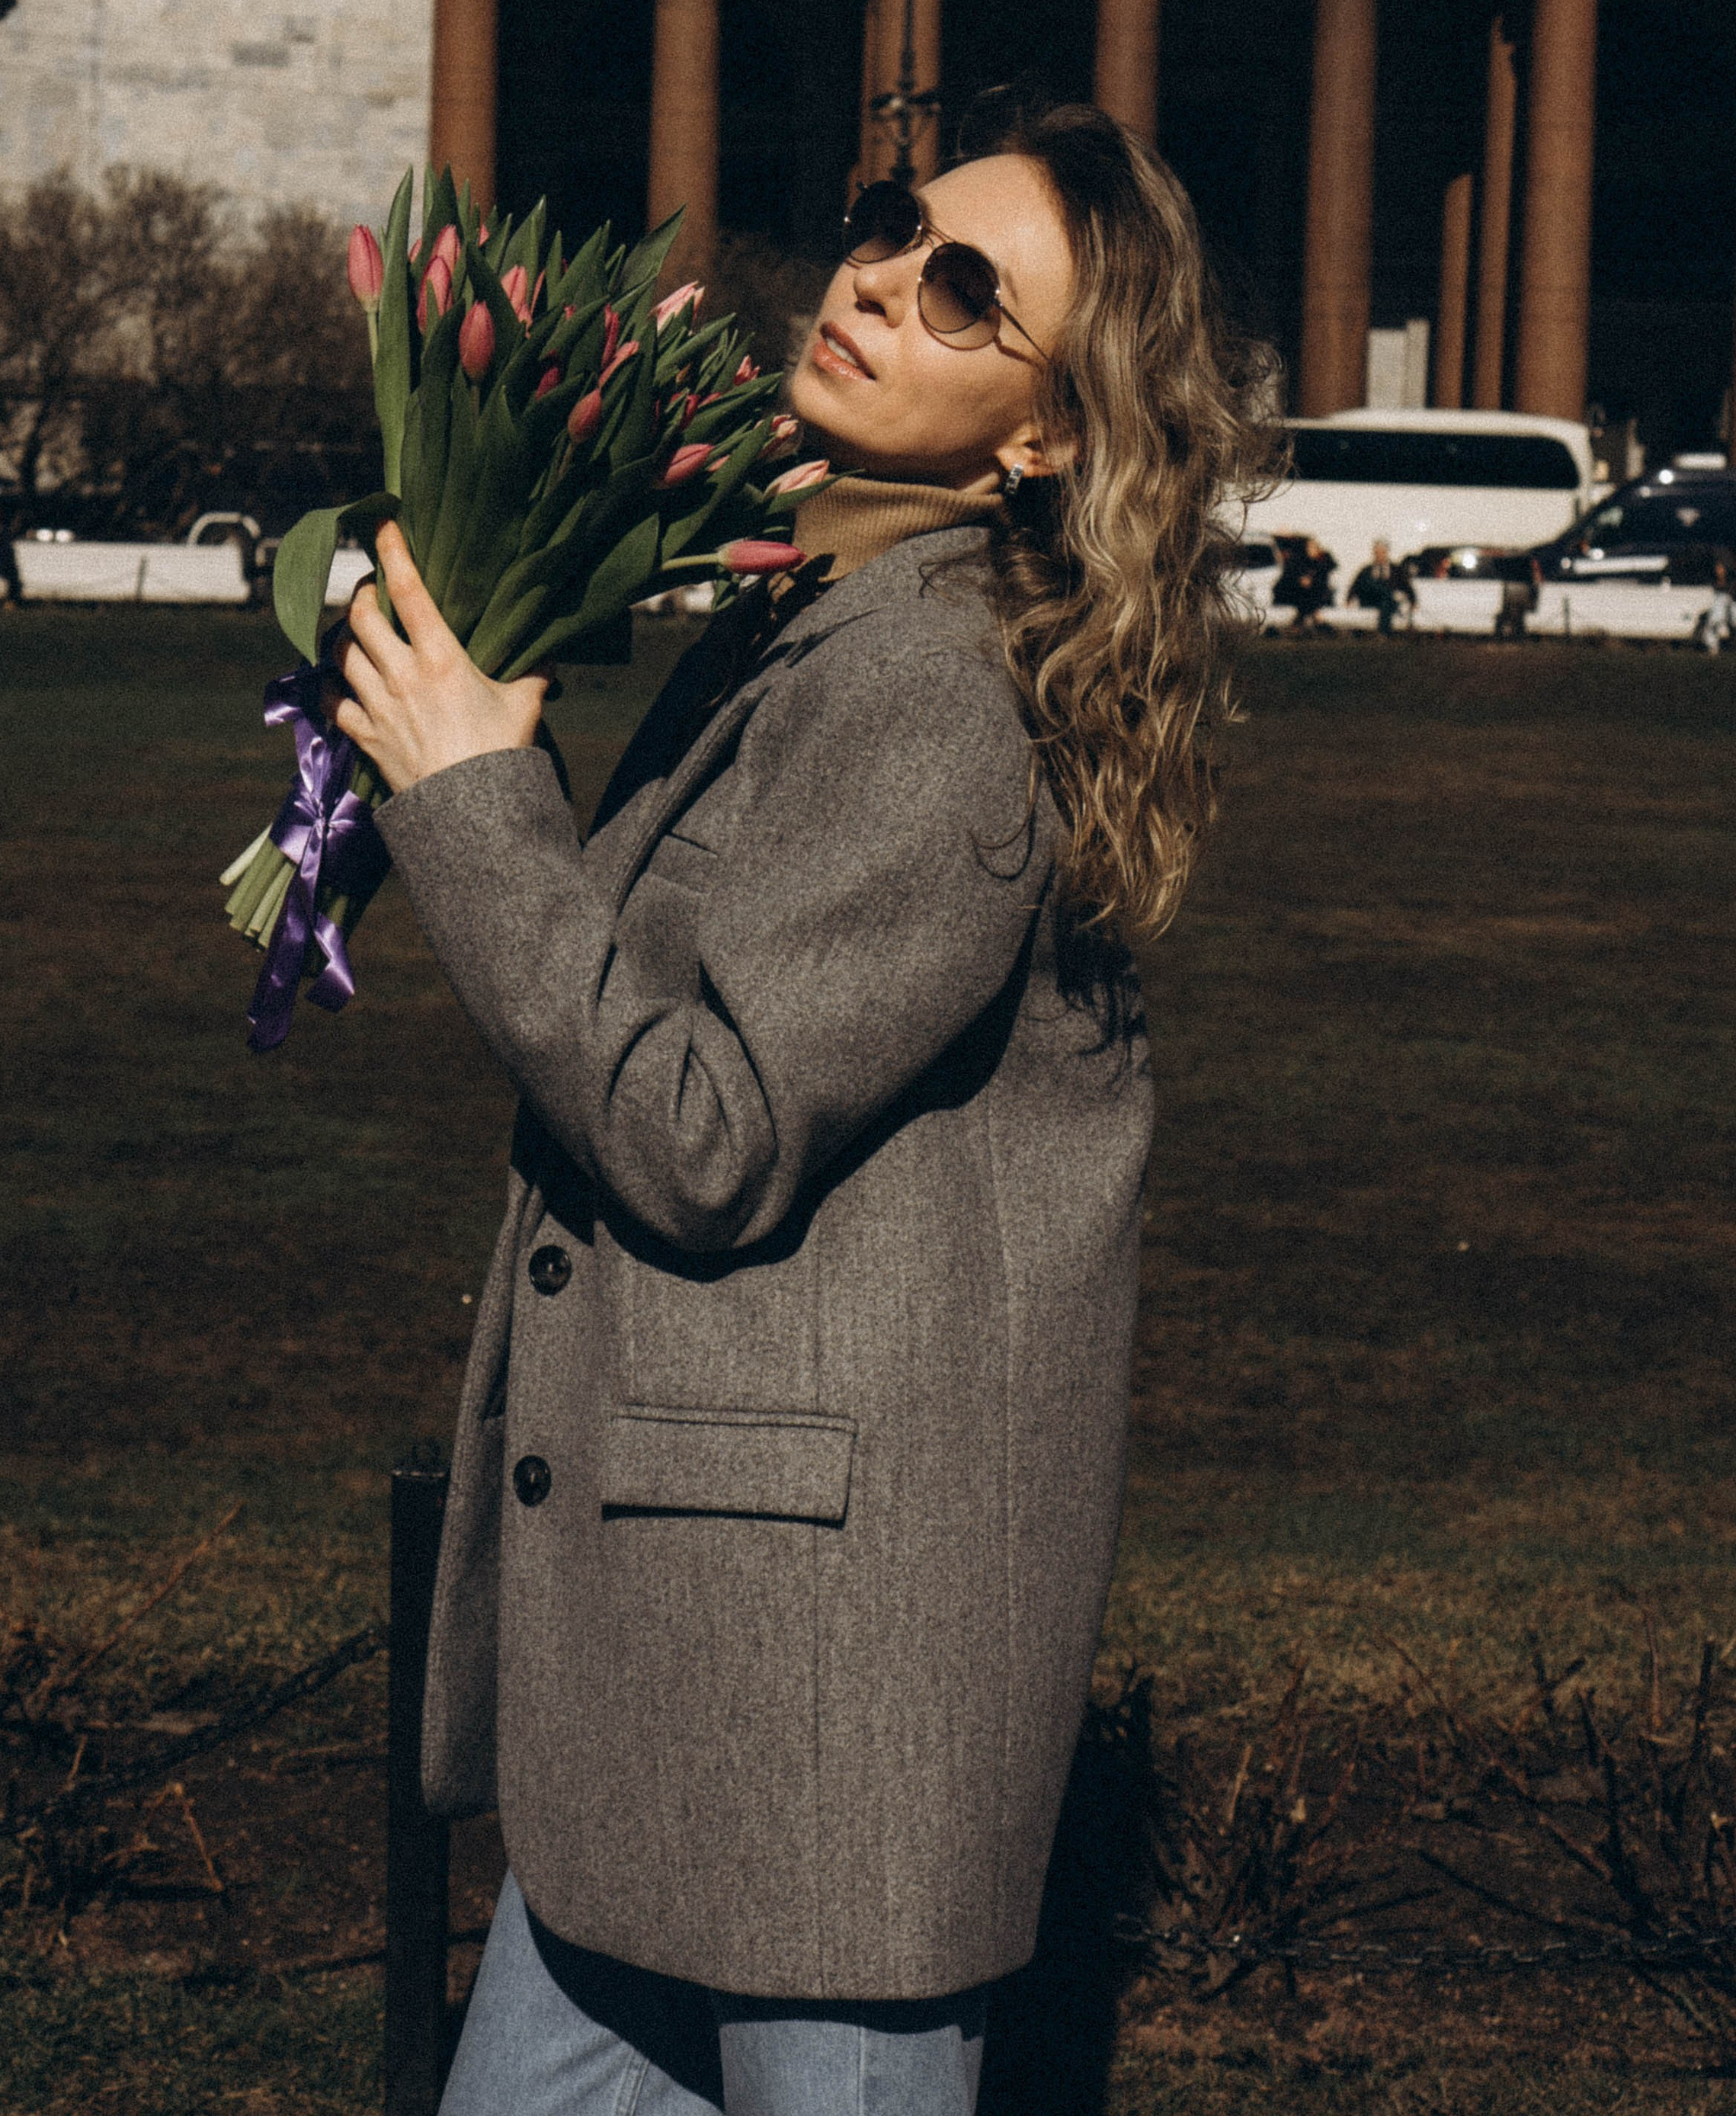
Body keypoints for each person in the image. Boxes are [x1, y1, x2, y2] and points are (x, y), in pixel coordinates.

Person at [329, 108, 1277, 2116]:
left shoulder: (936, 689)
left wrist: (468, 798)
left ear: (1043, 436)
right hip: (693, 1671)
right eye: (886, 230)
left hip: (834, 1712)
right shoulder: (808, 624)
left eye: (962, 292)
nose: (871, 282)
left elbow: (703, 1127)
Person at [1347, 536, 1415, 635]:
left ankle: (1383, 633)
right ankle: (1390, 597)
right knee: (1370, 582)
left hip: (1386, 603)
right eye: (1376, 553)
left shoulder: (1396, 570)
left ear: (1386, 553)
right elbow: (1355, 585)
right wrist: (1348, 599)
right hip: (1371, 599)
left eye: (1381, 552)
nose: (1379, 555)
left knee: (1386, 602)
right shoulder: (1366, 570)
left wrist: (1413, 601)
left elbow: (1407, 586)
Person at [1270, 531, 1334, 629]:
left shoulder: (1322, 564)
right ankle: (1310, 621)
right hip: (1299, 597)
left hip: (1314, 597)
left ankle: (1304, 621)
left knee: (1309, 596)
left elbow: (1322, 582)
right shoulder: (1299, 563)